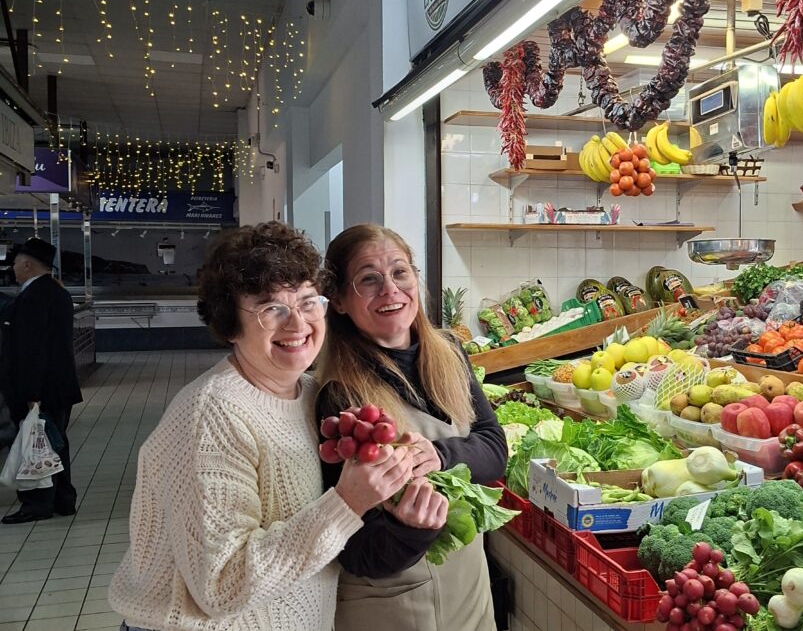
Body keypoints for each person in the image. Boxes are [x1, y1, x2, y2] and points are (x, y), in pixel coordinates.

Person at [108, 222, 416, 631]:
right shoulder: (213, 415)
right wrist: (347, 503)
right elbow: (221, 585)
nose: (297, 324)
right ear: (230, 322)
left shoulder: (309, 393)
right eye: (272, 308)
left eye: (308, 302)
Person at [317, 224, 507, 631]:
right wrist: (409, 529)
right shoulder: (341, 399)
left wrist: (440, 455)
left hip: (470, 591)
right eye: (369, 279)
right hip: (395, 606)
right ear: (339, 300)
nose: (390, 290)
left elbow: (494, 449)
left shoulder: (450, 352)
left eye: (400, 272)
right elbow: (352, 548)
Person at [0, 236, 81, 524]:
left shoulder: (33, 297)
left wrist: (31, 392)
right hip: (60, 384)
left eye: (15, 264)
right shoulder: (58, 292)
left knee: (35, 444)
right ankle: (63, 499)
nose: (12, 269)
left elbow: (33, 349)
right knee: (55, 442)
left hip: (41, 387)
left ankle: (37, 503)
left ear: (26, 264)